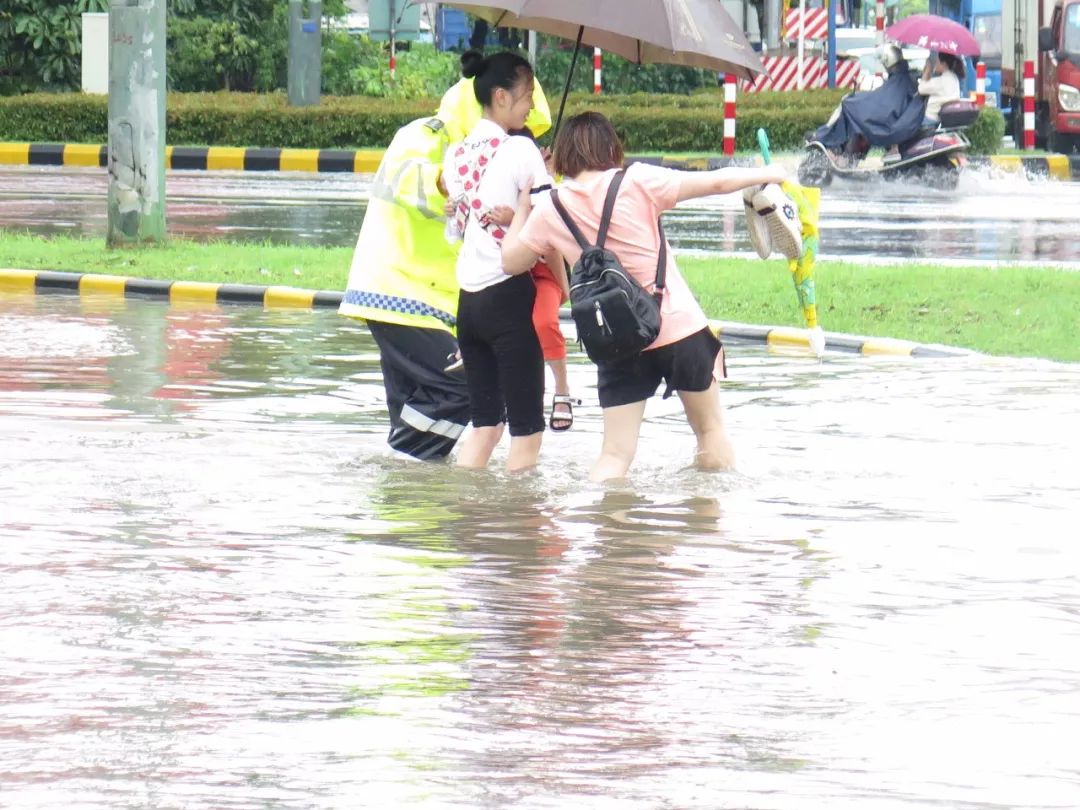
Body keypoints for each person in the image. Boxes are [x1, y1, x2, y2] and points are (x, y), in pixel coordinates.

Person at [500, 112, 788, 482]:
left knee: (615, 455)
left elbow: (511, 262)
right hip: (678, 329)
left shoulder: (551, 209)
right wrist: (770, 174)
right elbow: (715, 184)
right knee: (710, 434)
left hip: (616, 341)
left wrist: (525, 202)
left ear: (564, 155)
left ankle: (605, 529)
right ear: (609, 146)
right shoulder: (637, 181)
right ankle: (712, 531)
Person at [439, 55, 576, 430]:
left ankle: (464, 492)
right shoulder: (520, 150)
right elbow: (551, 221)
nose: (531, 105)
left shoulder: (455, 155)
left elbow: (456, 230)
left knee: (485, 429)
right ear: (501, 96)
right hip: (509, 298)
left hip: (468, 305)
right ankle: (518, 495)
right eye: (527, 95)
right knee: (526, 434)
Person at [338, 113, 471, 461]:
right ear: (498, 98)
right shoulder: (427, 134)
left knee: (411, 403)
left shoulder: (495, 147)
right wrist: (445, 181)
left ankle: (407, 486)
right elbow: (407, 177)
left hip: (431, 300)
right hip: (398, 292)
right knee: (465, 382)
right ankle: (404, 462)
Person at [811, 43, 924, 164]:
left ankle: (827, 140)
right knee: (856, 112)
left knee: (849, 105)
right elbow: (885, 98)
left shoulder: (901, 80)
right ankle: (845, 156)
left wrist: (857, 100)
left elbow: (886, 102)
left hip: (890, 122)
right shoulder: (905, 78)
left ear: (887, 61)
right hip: (897, 118)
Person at [918, 52, 964, 127]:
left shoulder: (942, 81)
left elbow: (921, 89)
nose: (935, 64)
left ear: (943, 63)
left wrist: (927, 69)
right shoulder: (953, 77)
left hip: (931, 119)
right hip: (942, 119)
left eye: (937, 61)